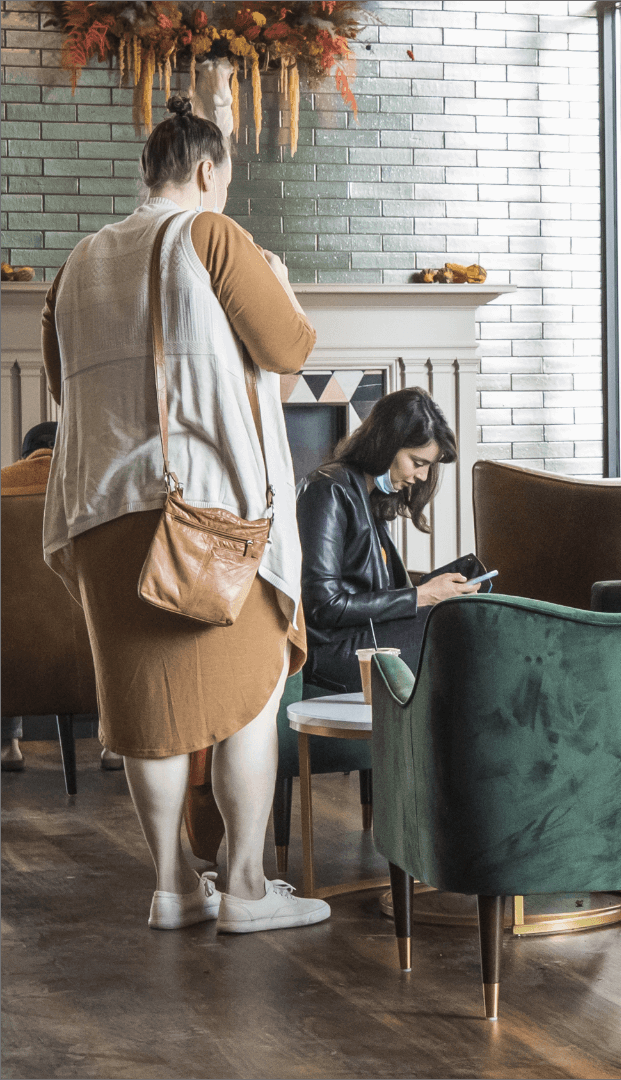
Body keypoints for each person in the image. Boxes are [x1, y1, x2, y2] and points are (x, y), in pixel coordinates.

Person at [40, 97, 330, 933]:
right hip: (203, 520)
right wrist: (274, 277)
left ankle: (173, 885)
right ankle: (243, 887)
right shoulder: (211, 236)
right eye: (227, 180)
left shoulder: (78, 262)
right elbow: (291, 352)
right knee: (252, 691)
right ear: (207, 172)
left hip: (101, 512)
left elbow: (63, 385)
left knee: (146, 712)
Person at [296, 387, 478, 695]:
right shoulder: (327, 490)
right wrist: (420, 596)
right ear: (386, 442)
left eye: (428, 466)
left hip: (361, 639)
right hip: (333, 652)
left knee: (471, 610)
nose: (422, 476)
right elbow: (323, 606)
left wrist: (435, 591)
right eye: (418, 462)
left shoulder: (369, 498)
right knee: (465, 626)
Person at [0, 424, 122, 772]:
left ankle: (9, 746)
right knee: (112, 626)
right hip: (90, 649)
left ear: (25, 456)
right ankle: (114, 745)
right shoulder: (100, 489)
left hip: (15, 655)